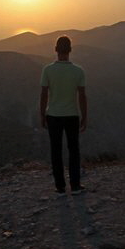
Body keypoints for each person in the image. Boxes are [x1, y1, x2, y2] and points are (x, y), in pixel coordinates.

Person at [40, 36, 87, 195]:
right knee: (74, 150)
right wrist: (84, 116)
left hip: (53, 115)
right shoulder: (78, 71)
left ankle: (60, 187)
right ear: (70, 50)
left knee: (56, 150)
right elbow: (82, 96)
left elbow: (43, 95)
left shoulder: (48, 70)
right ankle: (75, 186)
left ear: (55, 50)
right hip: (72, 116)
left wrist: (42, 115)